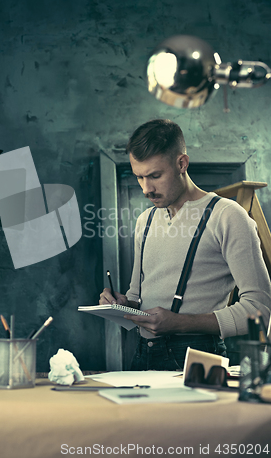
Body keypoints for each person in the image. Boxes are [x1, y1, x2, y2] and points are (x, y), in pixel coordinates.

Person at [99, 119, 271, 371]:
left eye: (155, 176)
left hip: (198, 357)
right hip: (141, 356)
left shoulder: (227, 215)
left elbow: (260, 310)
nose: (146, 188)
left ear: (182, 163)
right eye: (139, 177)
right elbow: (137, 297)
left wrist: (179, 323)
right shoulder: (145, 220)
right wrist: (120, 305)